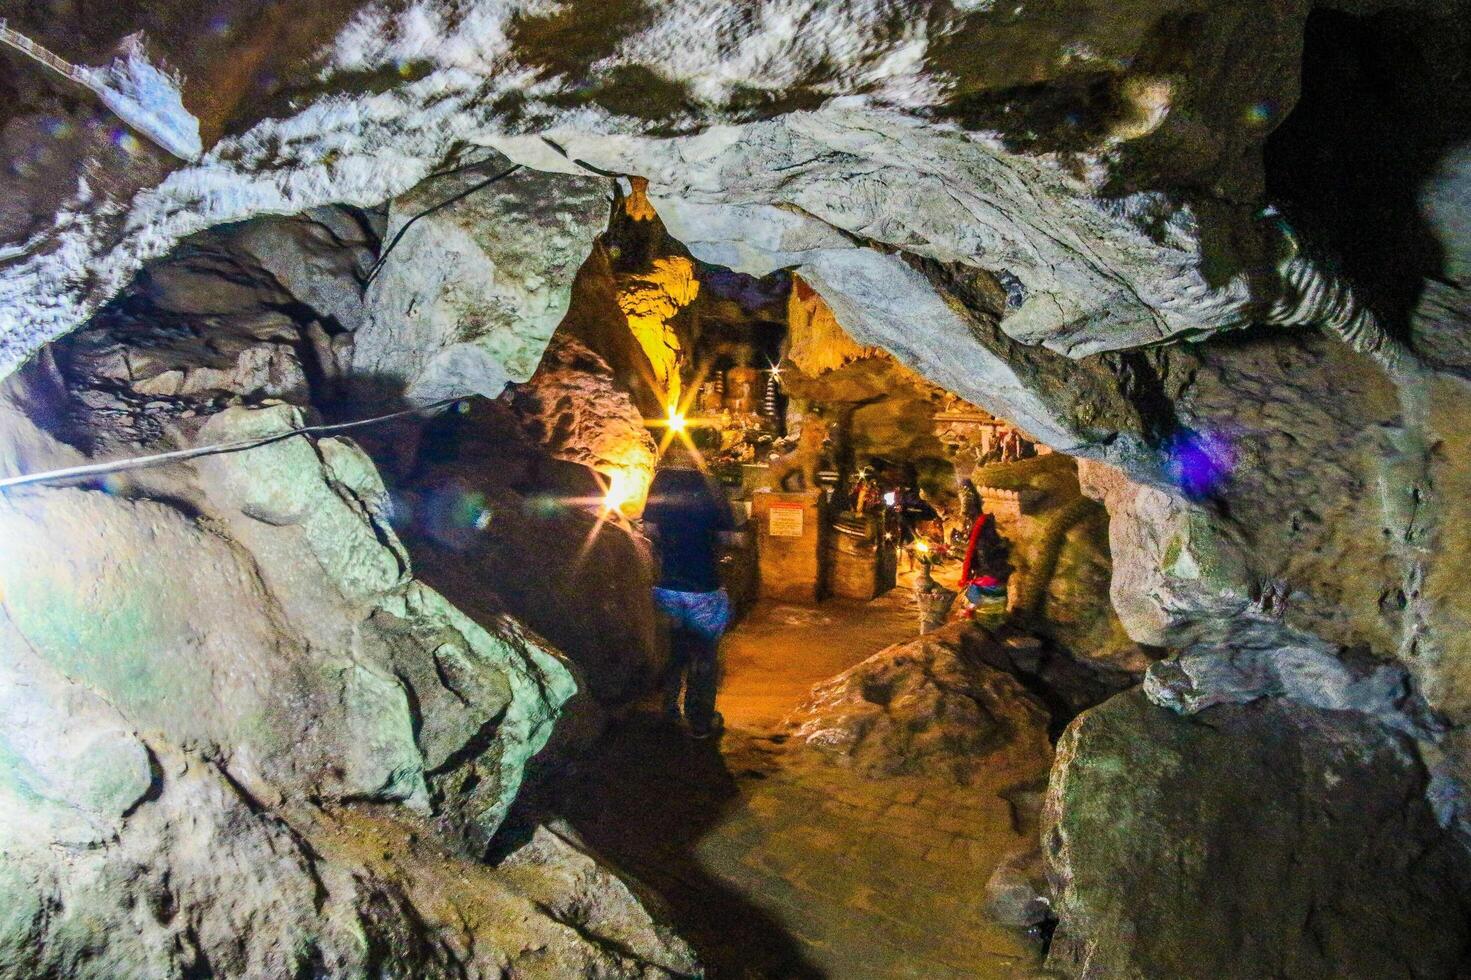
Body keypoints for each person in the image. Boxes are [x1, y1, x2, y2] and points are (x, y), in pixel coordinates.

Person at [641, 458, 736, 738]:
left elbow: (649, 531)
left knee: (673, 651)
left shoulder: (660, 483)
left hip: (667, 585)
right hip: (704, 587)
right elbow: (732, 538)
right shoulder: (711, 486)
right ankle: (700, 720)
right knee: (704, 654)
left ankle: (667, 710)